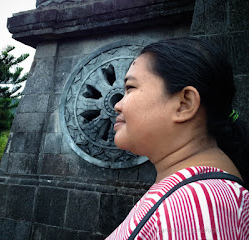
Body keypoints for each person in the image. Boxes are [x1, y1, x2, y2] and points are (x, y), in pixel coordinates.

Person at [106, 37, 249, 240]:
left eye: (130, 88)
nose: (117, 105)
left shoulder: (197, 204)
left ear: (184, 104)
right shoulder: (194, 196)